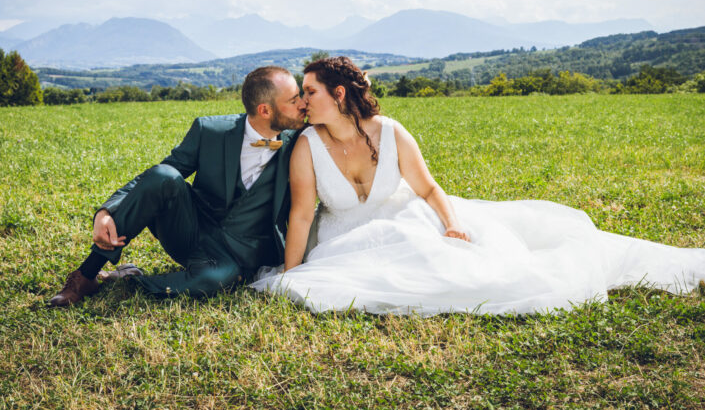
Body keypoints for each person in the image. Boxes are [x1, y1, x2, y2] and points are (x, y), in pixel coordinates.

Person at [250, 56, 705, 316]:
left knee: (467, 254)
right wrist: (293, 272)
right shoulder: (307, 145)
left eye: (310, 91)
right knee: (404, 259)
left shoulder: (391, 132)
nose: (303, 101)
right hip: (344, 235)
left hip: (406, 213)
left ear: (339, 95)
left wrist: (452, 223)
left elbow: (428, 190)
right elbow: (303, 214)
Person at [49, 66, 306, 306]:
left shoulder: (301, 141)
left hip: (238, 255)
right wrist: (105, 211)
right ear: (265, 110)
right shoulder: (210, 131)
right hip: (192, 233)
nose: (303, 104)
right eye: (294, 100)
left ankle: (129, 281)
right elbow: (156, 177)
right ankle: (86, 275)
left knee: (218, 279)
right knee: (165, 175)